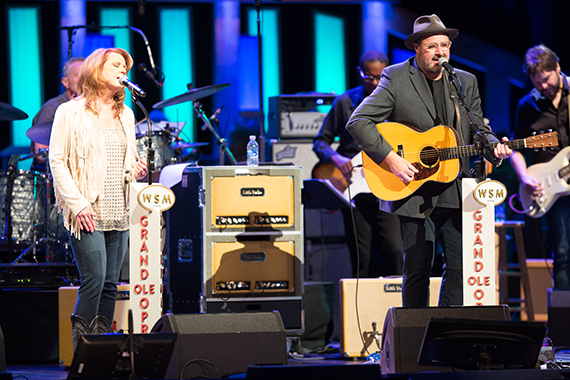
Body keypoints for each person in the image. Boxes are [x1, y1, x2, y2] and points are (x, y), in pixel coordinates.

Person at [346, 14, 512, 307]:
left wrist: (494, 147)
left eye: (445, 45)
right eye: (433, 45)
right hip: (412, 184)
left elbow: (480, 130)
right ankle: (413, 339)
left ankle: (445, 335)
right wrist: (392, 160)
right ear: (417, 48)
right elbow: (358, 122)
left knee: (460, 266)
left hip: (454, 183)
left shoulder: (465, 81)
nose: (440, 52)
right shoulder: (396, 77)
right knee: (418, 267)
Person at [49, 48, 148, 350]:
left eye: (125, 67)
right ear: (96, 70)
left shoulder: (127, 114)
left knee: (110, 284)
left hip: (119, 208)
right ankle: (81, 351)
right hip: (87, 208)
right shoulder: (70, 112)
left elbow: (125, 160)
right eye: (116, 65)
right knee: (94, 279)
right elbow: (57, 160)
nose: (123, 71)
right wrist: (78, 205)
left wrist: (136, 168)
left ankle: (102, 351)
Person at [313, 50, 403, 278]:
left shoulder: (397, 102)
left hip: (387, 185)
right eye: (369, 77)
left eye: (379, 77)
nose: (374, 83)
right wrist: (337, 158)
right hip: (354, 187)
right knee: (360, 255)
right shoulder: (344, 102)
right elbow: (320, 142)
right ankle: (362, 308)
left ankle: (398, 305)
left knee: (394, 249)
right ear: (359, 73)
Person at [510, 45, 570, 289]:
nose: (543, 87)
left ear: (557, 67)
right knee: (563, 253)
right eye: (537, 83)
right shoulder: (527, 105)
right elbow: (515, 148)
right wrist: (525, 177)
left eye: (546, 80)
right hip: (551, 190)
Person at [30, 57, 85, 172]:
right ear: (65, 82)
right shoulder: (53, 108)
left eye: (87, 75)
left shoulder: (90, 108)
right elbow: (41, 154)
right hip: (49, 181)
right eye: (78, 75)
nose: (84, 80)